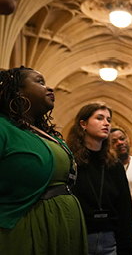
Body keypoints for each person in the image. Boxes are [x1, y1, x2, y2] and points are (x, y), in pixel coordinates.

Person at [0, 66, 87, 254]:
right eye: (40, 82)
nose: (50, 88)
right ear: (17, 90)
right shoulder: (3, 127)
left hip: (63, 228)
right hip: (26, 230)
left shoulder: (40, 132)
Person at [67, 103, 132, 255]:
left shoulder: (114, 165)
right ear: (83, 124)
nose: (106, 123)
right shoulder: (69, 162)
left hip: (110, 241)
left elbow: (125, 211)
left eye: (108, 120)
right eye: (99, 118)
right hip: (78, 239)